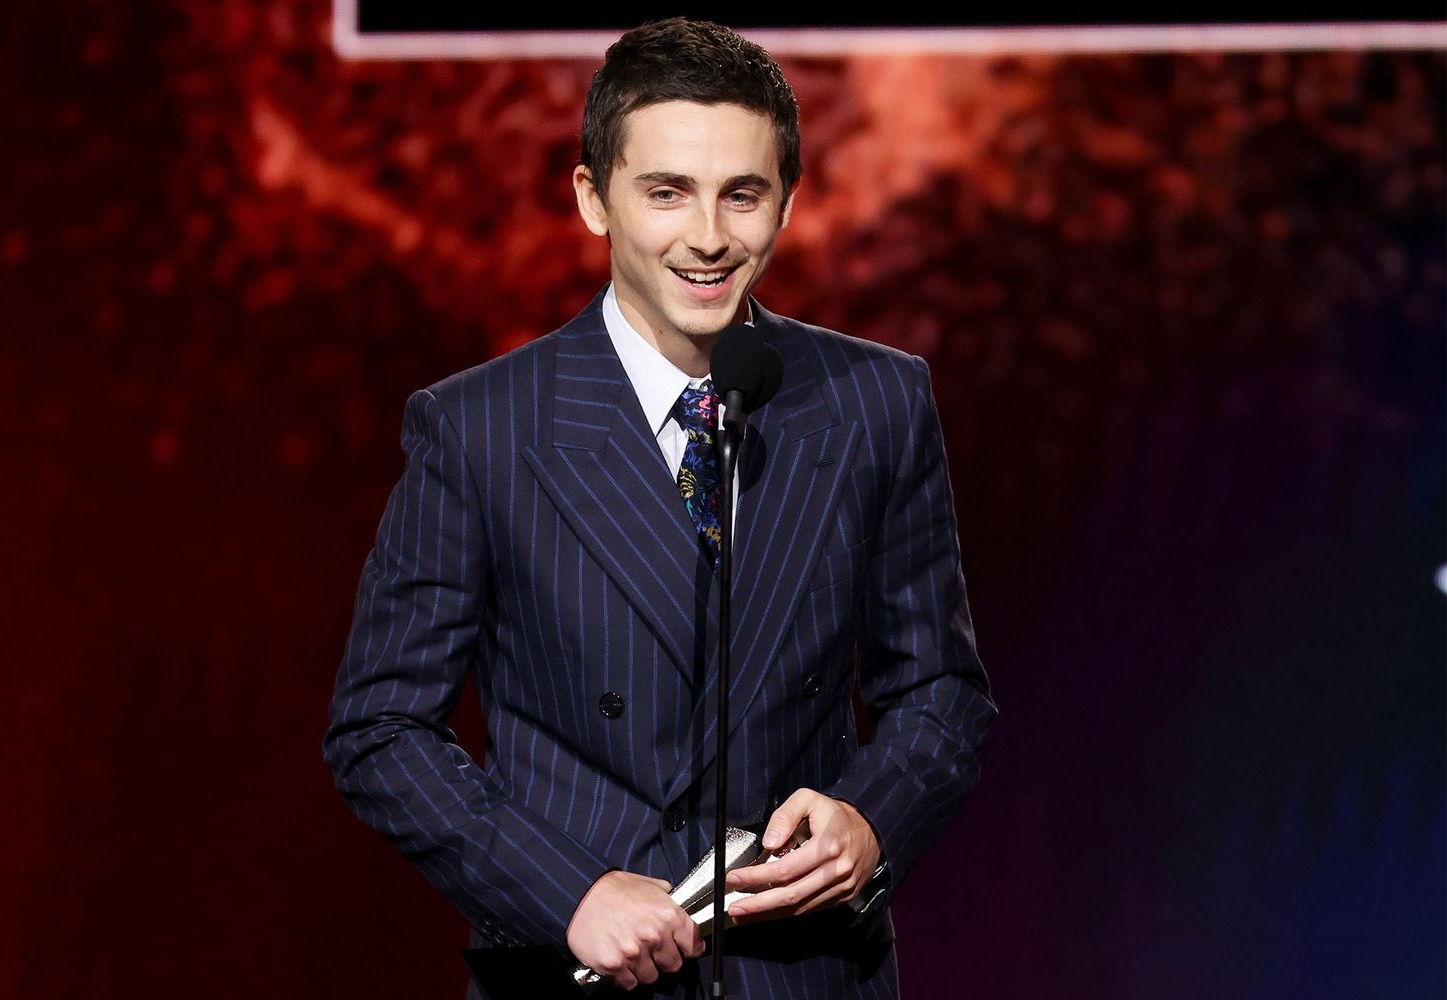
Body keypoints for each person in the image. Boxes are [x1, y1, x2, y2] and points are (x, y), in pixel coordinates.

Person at [324, 17, 995, 999]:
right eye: (667, 192)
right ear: (594, 199)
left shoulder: (875, 403)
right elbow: (380, 729)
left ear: (788, 200)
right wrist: (567, 893)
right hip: (576, 965)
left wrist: (871, 820)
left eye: (743, 194)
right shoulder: (480, 428)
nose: (709, 237)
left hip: (801, 970)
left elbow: (940, 688)